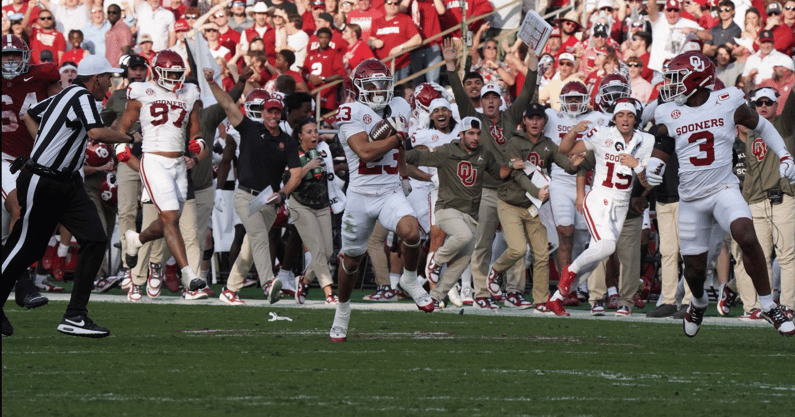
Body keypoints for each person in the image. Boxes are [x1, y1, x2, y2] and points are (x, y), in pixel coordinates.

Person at [646, 51, 795, 337]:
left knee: (746, 234)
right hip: (690, 199)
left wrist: (784, 155)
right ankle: (699, 302)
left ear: (698, 79)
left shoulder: (727, 101)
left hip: (724, 189)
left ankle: (768, 305)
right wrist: (654, 164)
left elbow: (762, 126)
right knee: (694, 271)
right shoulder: (668, 111)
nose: (671, 85)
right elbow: (663, 141)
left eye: (677, 78)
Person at [2, 55, 134, 338]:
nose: (110, 84)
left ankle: (75, 315)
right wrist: (130, 138)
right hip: (45, 179)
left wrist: (45, 144)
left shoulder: (67, 94)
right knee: (27, 246)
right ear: (95, 78)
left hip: (66, 181)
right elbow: (96, 132)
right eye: (107, 78)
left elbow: (31, 114)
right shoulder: (81, 95)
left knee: (95, 239)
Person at [329, 58, 434, 342]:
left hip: (389, 191)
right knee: (351, 260)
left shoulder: (400, 105)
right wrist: (395, 137)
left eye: (383, 84)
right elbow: (364, 151)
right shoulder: (351, 111)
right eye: (372, 85)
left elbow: (399, 150)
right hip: (360, 196)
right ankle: (342, 310)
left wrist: (402, 175)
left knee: (411, 232)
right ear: (360, 88)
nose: (379, 90)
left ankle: (410, 279)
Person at [443, 38, 539, 310]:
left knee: (517, 244)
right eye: (486, 98)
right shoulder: (474, 120)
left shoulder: (510, 116)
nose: (490, 102)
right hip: (485, 189)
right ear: (481, 102)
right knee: (481, 243)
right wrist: (451, 66)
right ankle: (482, 291)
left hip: (511, 189)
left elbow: (528, 90)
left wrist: (532, 59)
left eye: (494, 98)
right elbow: (461, 97)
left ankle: (514, 292)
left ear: (501, 100)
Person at [118, 50, 210, 299]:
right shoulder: (141, 91)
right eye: (168, 73)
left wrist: (198, 144)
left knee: (171, 221)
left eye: (177, 74)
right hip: (154, 159)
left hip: (179, 163)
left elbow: (196, 130)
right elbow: (124, 127)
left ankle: (137, 239)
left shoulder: (189, 93)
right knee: (169, 216)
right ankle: (188, 274)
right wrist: (121, 147)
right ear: (157, 73)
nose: (173, 78)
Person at [551, 97, 655, 317]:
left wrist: (637, 167)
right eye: (620, 115)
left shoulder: (646, 140)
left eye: (629, 115)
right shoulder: (601, 134)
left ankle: (556, 299)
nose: (625, 119)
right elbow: (565, 150)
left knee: (594, 258)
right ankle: (568, 273)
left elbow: (647, 183)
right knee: (606, 247)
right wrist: (573, 131)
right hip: (598, 199)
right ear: (614, 118)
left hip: (621, 204)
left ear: (635, 118)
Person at [207, 83, 303, 304]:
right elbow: (228, 104)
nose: (272, 115)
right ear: (263, 113)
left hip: (269, 198)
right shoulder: (250, 128)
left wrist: (283, 193)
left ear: (281, 114)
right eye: (269, 111)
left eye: (276, 111)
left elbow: (296, 174)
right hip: (246, 195)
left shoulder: (287, 141)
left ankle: (230, 290)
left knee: (250, 247)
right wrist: (212, 83)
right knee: (260, 238)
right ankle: (269, 282)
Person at [407, 116, 507, 310]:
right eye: (471, 133)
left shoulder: (484, 155)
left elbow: (498, 174)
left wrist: (512, 166)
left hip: (471, 215)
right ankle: (436, 261)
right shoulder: (446, 151)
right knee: (464, 235)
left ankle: (435, 298)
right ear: (461, 134)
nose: (475, 137)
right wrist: (396, 154)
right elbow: (418, 157)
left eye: (478, 133)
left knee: (462, 260)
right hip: (447, 209)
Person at [493, 102, 579, 312]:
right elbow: (516, 174)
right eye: (530, 118)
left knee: (541, 253)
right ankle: (495, 271)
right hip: (511, 202)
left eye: (538, 118)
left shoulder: (548, 144)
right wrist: (536, 192)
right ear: (524, 120)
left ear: (544, 121)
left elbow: (566, 165)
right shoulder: (514, 142)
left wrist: (578, 161)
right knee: (518, 248)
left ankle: (540, 300)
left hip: (533, 206)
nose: (534, 122)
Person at [732, 88, 794, 317]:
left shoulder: (784, 124)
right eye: (759, 103)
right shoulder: (751, 133)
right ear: (753, 106)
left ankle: (788, 305)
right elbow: (749, 173)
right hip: (756, 201)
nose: (764, 106)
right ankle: (763, 306)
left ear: (777, 104)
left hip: (782, 198)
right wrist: (744, 202)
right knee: (760, 256)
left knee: (787, 256)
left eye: (769, 102)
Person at [94, 54, 149, 293]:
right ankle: (129, 268)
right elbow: (98, 125)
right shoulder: (117, 96)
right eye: (133, 69)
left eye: (141, 69)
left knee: (150, 217)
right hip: (126, 160)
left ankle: (143, 270)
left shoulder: (156, 93)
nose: (137, 73)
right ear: (126, 72)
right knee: (126, 213)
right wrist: (115, 130)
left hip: (153, 160)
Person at [289, 118, 341, 305]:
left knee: (327, 252)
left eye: (315, 131)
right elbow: (288, 180)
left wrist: (332, 137)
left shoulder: (323, 149)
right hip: (301, 205)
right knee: (317, 250)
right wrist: (306, 168)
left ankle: (304, 281)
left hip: (322, 205)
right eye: (309, 132)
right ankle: (329, 292)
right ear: (300, 135)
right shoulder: (293, 153)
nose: (314, 135)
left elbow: (343, 148)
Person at [645, 0, 706, 73]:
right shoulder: (658, 19)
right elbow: (651, 7)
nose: (672, 13)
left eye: (675, 10)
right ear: (664, 10)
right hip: (659, 70)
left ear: (679, 12)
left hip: (678, 71)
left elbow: (708, 36)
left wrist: (693, 30)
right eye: (669, 10)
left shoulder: (687, 23)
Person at [368, 0, 421, 81]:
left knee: (400, 92)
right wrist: (373, 43)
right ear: (384, 5)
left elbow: (417, 39)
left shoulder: (405, 19)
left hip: (401, 65)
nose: (392, 5)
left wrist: (401, 47)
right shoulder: (376, 21)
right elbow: (369, 41)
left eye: (396, 3)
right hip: (381, 68)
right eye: (389, 3)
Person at [302, 27, 345, 114]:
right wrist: (308, 76)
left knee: (323, 120)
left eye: (327, 38)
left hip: (327, 96)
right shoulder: (311, 53)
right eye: (321, 37)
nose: (324, 40)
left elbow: (341, 74)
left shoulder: (335, 53)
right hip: (311, 93)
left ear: (330, 39)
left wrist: (322, 80)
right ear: (317, 38)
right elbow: (304, 72)